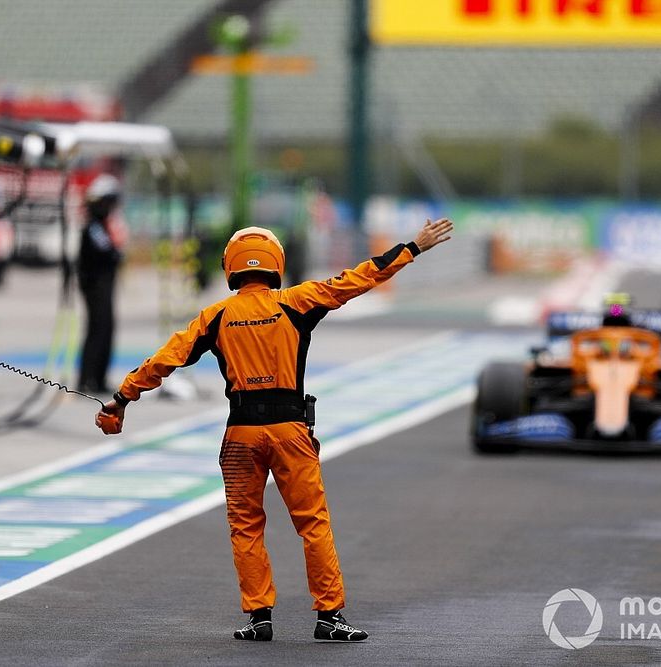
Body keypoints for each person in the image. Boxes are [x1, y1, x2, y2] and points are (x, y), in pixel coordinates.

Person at [95, 217, 454, 642]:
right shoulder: (298, 301)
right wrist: (412, 247)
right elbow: (358, 278)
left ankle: (258, 617)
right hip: (290, 432)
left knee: (246, 526)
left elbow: (164, 359)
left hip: (241, 435)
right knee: (313, 524)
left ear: (231, 267)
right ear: (275, 264)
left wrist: (122, 398)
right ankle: (329, 617)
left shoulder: (215, 316)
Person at [77, 174, 123, 394]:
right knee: (97, 330)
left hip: (105, 286)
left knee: (106, 330)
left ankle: (99, 378)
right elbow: (109, 253)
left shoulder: (102, 226)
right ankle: (87, 378)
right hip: (95, 287)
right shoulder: (93, 227)